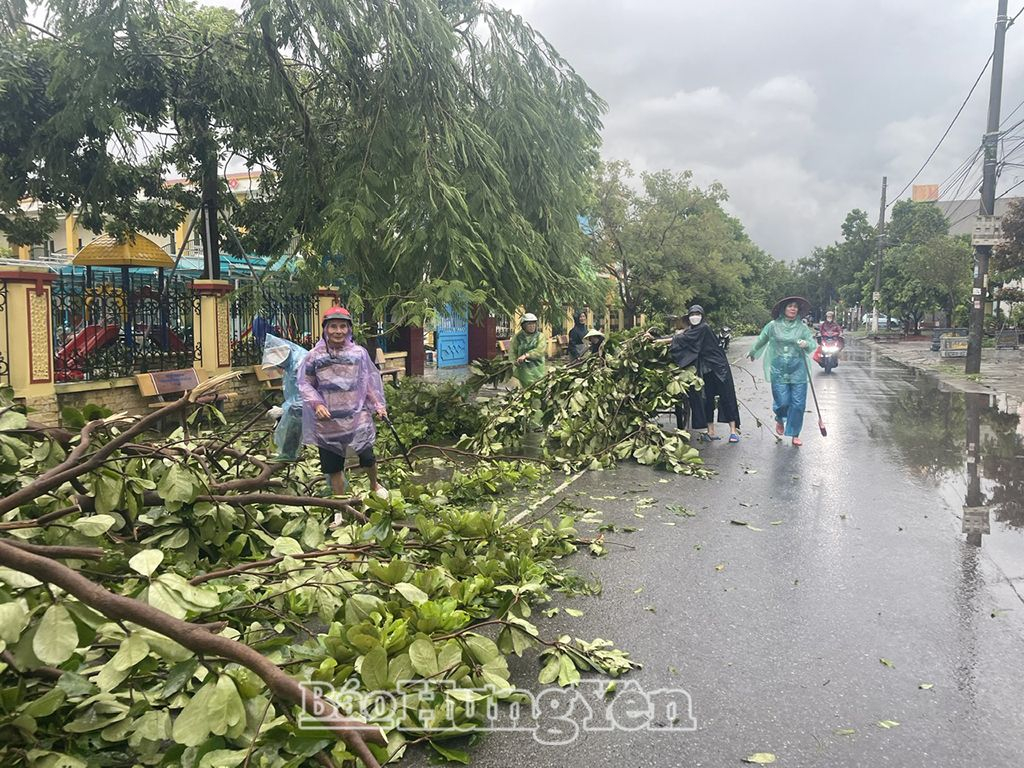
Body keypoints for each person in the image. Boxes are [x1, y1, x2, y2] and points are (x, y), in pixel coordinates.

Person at [298, 306, 389, 499]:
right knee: (333, 465)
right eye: (333, 326)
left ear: (349, 329)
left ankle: (374, 484)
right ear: (325, 329)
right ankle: (339, 505)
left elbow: (367, 384)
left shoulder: (358, 353)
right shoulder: (314, 356)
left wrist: (378, 406)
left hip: (357, 415)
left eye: (342, 326)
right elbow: (306, 384)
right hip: (328, 419)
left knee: (368, 456)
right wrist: (317, 404)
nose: (338, 331)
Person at [651, 305, 741, 442]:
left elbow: (682, 339)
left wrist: (658, 341)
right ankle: (710, 432)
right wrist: (654, 338)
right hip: (704, 370)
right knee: (706, 399)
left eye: (697, 314)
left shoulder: (703, 328)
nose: (694, 316)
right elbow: (678, 336)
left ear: (702, 316)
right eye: (692, 314)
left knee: (727, 398)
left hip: (718, 368)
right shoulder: (691, 330)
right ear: (689, 317)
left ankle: (733, 432)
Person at [748, 296, 816, 447]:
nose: (793, 309)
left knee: (798, 404)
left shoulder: (802, 327)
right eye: (790, 306)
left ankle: (794, 433)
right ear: (783, 309)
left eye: (795, 307)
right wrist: (753, 351)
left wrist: (806, 344)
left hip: (798, 368)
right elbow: (762, 339)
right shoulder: (773, 326)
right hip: (778, 368)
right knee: (783, 401)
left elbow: (812, 344)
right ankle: (780, 417)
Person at [261, 333, 309, 461]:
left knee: (295, 416)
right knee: (292, 414)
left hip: (311, 404)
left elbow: (303, 397)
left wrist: (284, 409)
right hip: (300, 403)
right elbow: (293, 393)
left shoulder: (299, 364)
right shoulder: (290, 365)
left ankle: (289, 454)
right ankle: (289, 453)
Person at [510, 312, 547, 387]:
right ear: (523, 326)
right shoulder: (518, 337)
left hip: (537, 367)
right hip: (524, 369)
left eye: (534, 324)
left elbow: (540, 350)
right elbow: (512, 351)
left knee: (539, 387)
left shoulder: (540, 336)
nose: (532, 326)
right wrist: (513, 361)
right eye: (529, 324)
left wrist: (527, 355)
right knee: (527, 389)